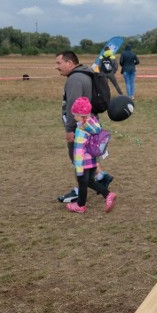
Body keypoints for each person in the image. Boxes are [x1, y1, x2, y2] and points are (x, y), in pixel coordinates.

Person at [55, 51, 113, 203]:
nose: (56, 67)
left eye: (59, 63)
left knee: (78, 160)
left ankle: (80, 194)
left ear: (70, 63)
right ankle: (101, 176)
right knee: (88, 158)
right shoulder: (86, 73)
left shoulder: (75, 79)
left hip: (79, 128)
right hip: (90, 123)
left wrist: (69, 129)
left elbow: (72, 106)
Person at [66, 96, 117, 214]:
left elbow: (78, 152)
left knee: (82, 183)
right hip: (93, 161)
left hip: (83, 163)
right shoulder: (94, 124)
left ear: (82, 116)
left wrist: (78, 168)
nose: (74, 117)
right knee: (90, 182)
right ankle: (108, 194)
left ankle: (80, 205)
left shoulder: (81, 131)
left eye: (75, 115)